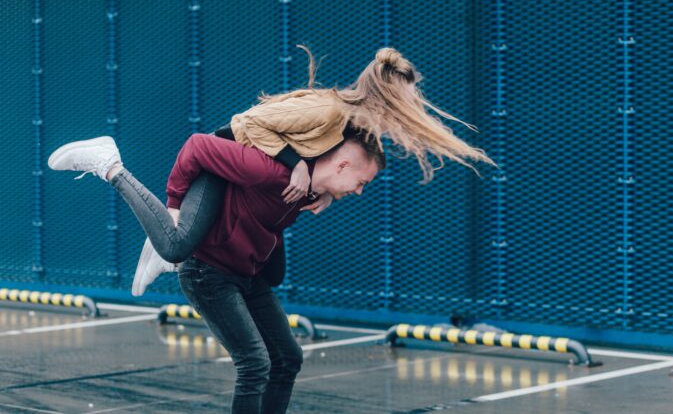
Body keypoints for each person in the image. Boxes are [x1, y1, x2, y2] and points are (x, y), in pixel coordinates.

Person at [48, 128, 385, 414]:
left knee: (287, 357)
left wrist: (323, 193)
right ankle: (111, 167)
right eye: (361, 182)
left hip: (246, 273)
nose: (358, 191)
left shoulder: (308, 188)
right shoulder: (272, 171)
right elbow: (198, 145)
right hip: (208, 271)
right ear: (342, 165)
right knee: (254, 363)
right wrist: (174, 210)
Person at [125, 45, 499, 295]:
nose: (414, 105)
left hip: (250, 174)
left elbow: (333, 167)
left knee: (268, 275)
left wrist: (325, 192)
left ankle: (166, 246)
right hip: (223, 159)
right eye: (410, 98)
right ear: (389, 94)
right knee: (177, 244)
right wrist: (295, 164)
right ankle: (147, 220)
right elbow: (247, 123)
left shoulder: (353, 126)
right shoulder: (330, 110)